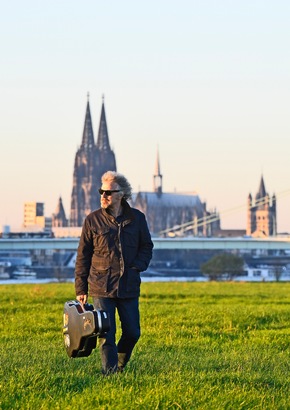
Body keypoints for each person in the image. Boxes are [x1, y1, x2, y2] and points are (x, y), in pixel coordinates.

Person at [75, 170, 153, 375]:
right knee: (106, 333)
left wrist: (137, 266)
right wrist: (81, 287)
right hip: (101, 285)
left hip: (128, 284)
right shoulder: (92, 220)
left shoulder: (137, 218)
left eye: (108, 192)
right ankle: (109, 374)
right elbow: (83, 256)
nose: (103, 196)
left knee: (133, 333)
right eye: (101, 191)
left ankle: (119, 364)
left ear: (122, 194)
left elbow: (147, 246)